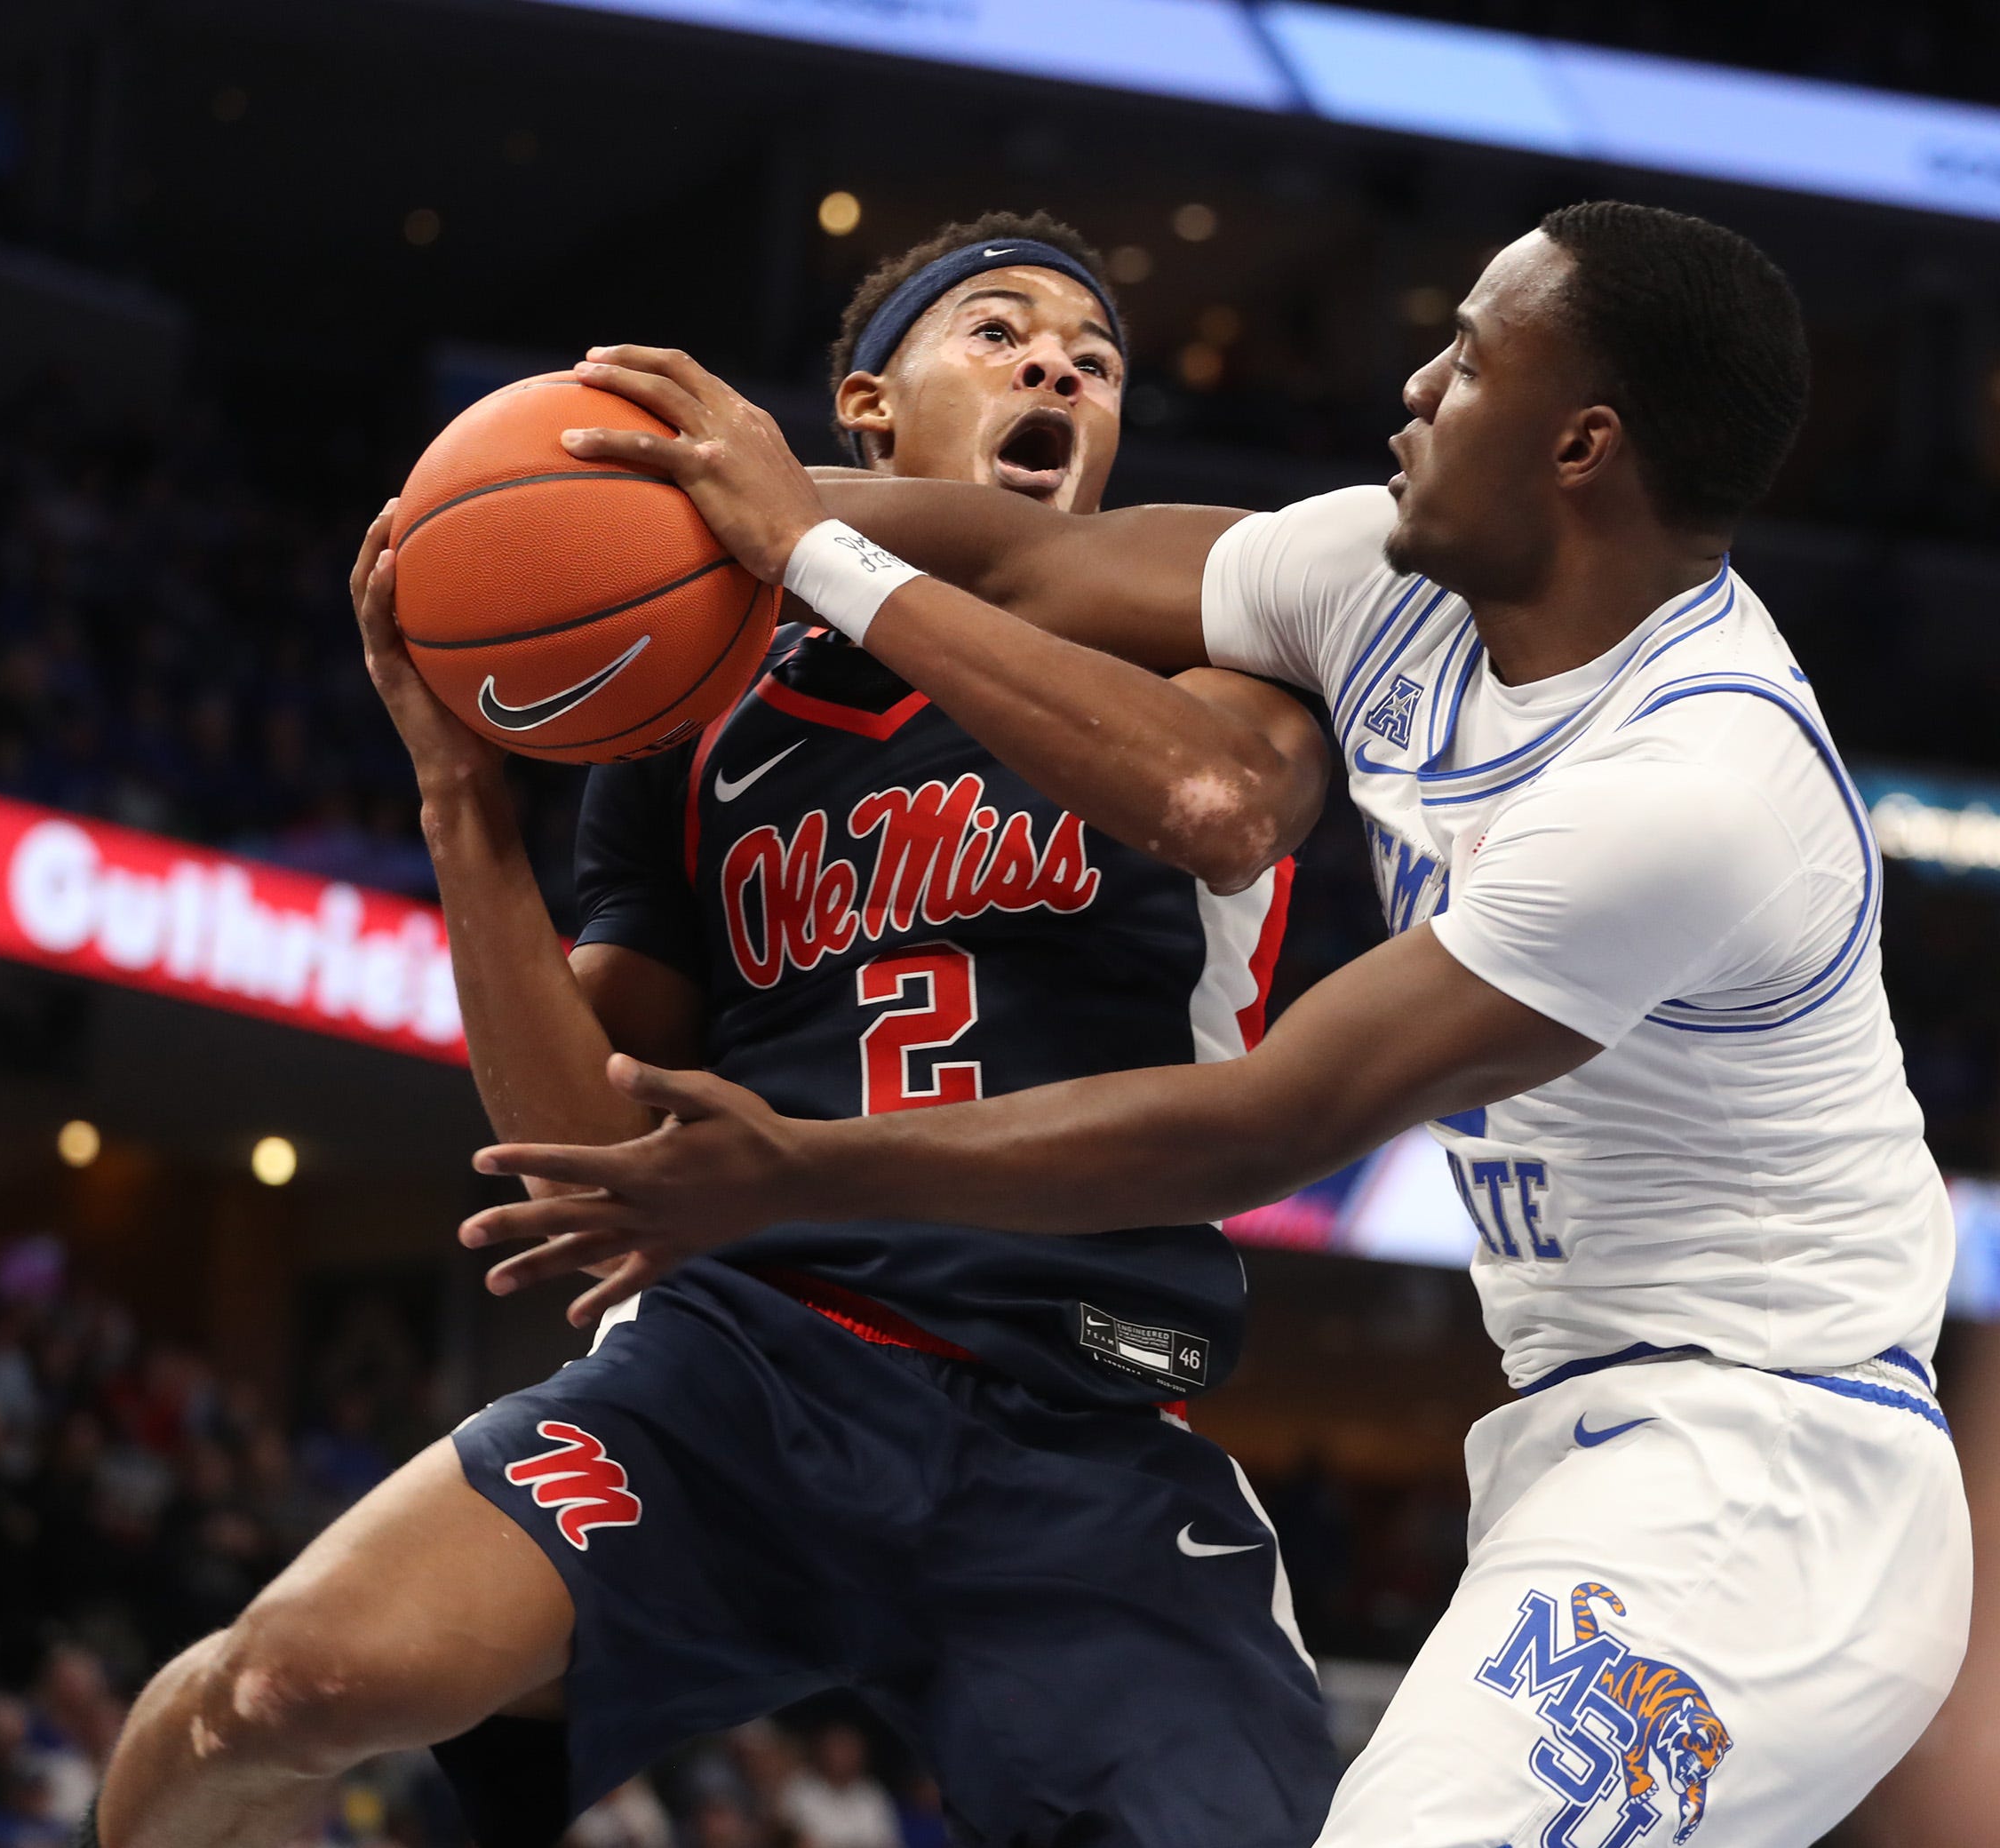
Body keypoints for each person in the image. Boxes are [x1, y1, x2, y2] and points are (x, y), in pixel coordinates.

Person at [469, 201, 1972, 1847]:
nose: (1414, 383)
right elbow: (1036, 562)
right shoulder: (1379, 576)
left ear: (1579, 443)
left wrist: (796, 1170)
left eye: (1466, 359)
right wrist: (670, 506)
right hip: (1586, 1428)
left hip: (1773, 1471)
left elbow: (1266, 1123)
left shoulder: (1698, 788)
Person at [85, 211, 1339, 1848]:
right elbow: (591, 1158)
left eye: (1095, 363)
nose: (1059, 366)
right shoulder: (700, 705)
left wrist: (819, 541)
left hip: (1079, 1416)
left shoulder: (1215, 614)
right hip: (746, 1366)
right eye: (1000, 332)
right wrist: (463, 802)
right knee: (282, 1689)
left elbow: (1220, 804)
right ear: (867, 410)